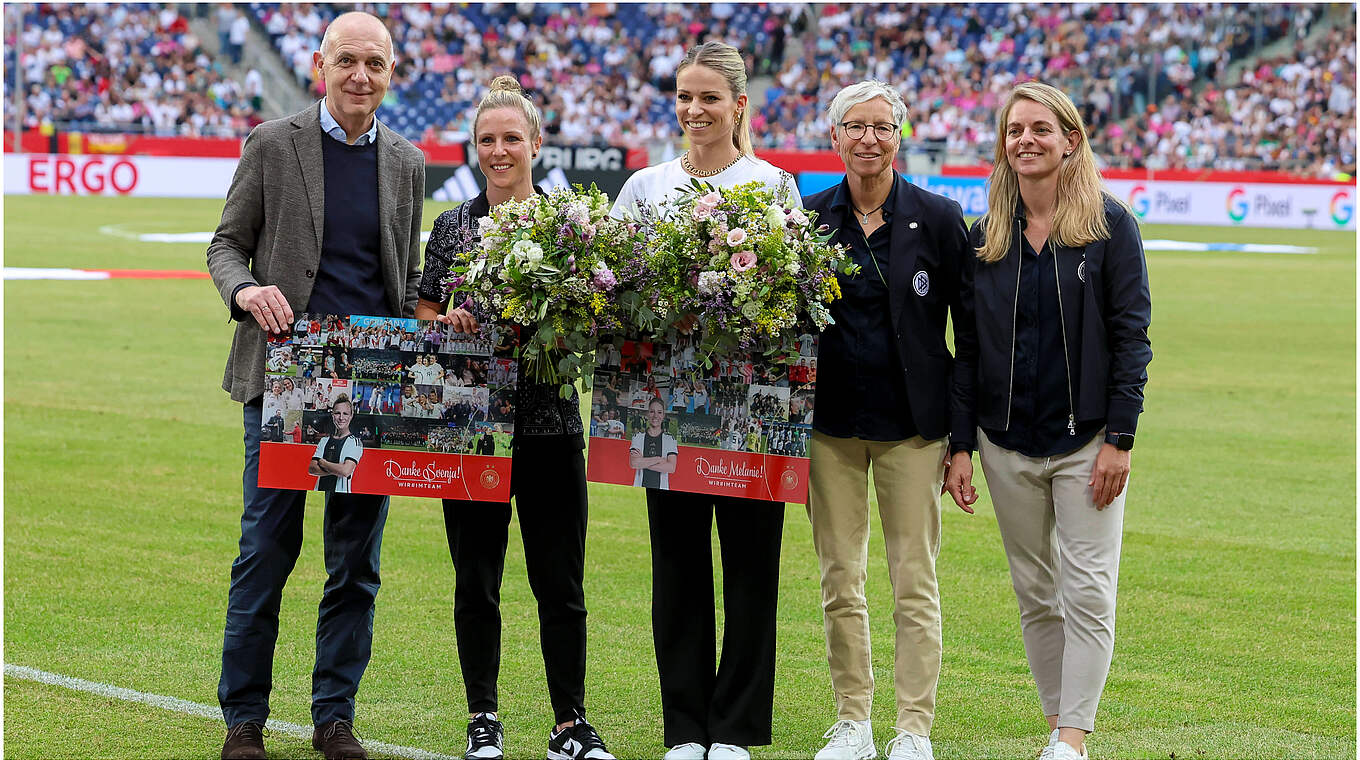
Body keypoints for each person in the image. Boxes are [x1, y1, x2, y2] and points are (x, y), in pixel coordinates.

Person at [205, 11, 424, 760]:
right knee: (266, 550)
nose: (361, 76)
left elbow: (405, 276)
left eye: (376, 63)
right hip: (283, 382)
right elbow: (227, 244)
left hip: (369, 389)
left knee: (355, 563)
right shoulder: (272, 144)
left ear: (392, 72)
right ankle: (245, 720)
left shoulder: (406, 161)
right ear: (319, 66)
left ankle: (334, 717)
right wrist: (245, 292)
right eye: (348, 62)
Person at [944, 82, 1152, 760]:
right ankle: (1058, 726)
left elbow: (1132, 336)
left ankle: (1071, 739)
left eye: (1040, 128)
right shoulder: (987, 238)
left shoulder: (1110, 226)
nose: (1026, 140)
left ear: (1070, 139)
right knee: (1035, 590)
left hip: (1086, 441)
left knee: (1088, 587)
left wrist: (1120, 437)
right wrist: (961, 444)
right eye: (1014, 131)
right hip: (1005, 445)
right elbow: (968, 350)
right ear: (1002, 147)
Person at [414, 75, 615, 760]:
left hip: (554, 427)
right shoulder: (452, 226)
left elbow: (598, 322)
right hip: (471, 429)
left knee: (560, 583)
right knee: (477, 581)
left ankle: (570, 724)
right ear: (474, 148)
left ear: (536, 143)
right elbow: (423, 312)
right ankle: (484, 718)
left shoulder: (568, 226)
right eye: (487, 140)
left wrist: (561, 325)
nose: (500, 151)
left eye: (511, 139)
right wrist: (453, 321)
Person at [610, 41, 800, 760]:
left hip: (750, 411)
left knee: (753, 569)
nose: (695, 111)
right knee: (678, 565)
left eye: (710, 99)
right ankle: (686, 729)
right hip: (663, 408)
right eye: (686, 98)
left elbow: (792, 298)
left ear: (739, 106)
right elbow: (615, 292)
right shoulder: (645, 187)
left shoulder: (773, 185)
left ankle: (737, 731)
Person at [800, 81, 975, 760]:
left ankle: (912, 729)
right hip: (831, 427)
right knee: (840, 579)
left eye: (881, 126)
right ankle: (853, 721)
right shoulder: (810, 218)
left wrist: (962, 442)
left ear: (900, 134)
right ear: (835, 137)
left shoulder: (937, 218)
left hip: (914, 430)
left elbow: (970, 342)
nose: (868, 138)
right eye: (855, 126)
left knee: (914, 581)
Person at [308, 396, 363, 493]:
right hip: (318, 493)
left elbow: (345, 471)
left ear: (351, 416)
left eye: (345, 414)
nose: (341, 418)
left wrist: (323, 463)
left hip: (341, 496)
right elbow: (312, 468)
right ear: (332, 415)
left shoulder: (355, 443)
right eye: (337, 413)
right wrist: (337, 469)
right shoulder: (324, 441)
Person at [629, 397, 679, 489]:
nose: (655, 416)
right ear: (648, 414)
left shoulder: (670, 440)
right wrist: (659, 459)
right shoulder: (638, 437)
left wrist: (643, 462)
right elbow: (634, 463)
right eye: (652, 411)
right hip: (639, 488)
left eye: (659, 412)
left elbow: (671, 467)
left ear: (663, 415)